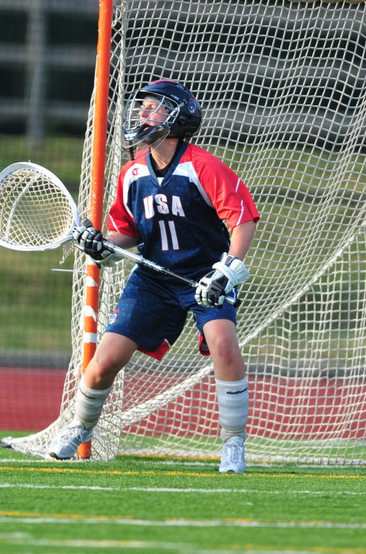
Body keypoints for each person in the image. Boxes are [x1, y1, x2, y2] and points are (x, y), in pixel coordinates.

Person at [46, 79, 260, 473]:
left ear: (176, 116)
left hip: (205, 277)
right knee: (104, 360)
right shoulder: (132, 174)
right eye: (141, 106)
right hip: (154, 279)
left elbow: (242, 221)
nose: (142, 113)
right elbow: (126, 231)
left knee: (223, 345)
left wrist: (226, 272)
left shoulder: (204, 167)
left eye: (153, 106)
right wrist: (102, 243)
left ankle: (233, 444)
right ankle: (79, 426)